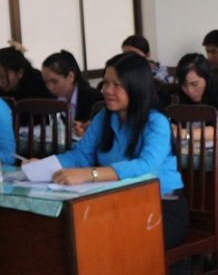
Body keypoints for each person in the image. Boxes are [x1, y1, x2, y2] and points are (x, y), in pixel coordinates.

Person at [46, 52, 187, 248]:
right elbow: (80, 156)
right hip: (117, 203)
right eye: (105, 83)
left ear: (136, 87)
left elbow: (146, 167)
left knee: (115, 241)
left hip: (161, 206)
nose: (106, 90)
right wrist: (44, 166)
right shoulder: (105, 116)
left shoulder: (156, 122)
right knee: (76, 235)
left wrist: (90, 174)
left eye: (116, 85)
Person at [175, 52, 218, 138]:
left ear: (208, 77)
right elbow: (175, 123)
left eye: (195, 84)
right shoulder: (183, 97)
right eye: (184, 85)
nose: (190, 91)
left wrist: (184, 133)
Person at [41, 50, 103, 129]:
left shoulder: (93, 98)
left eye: (54, 81)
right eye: (46, 82)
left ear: (70, 76)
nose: (50, 87)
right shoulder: (48, 99)